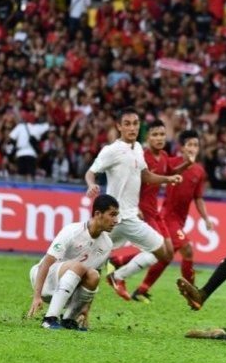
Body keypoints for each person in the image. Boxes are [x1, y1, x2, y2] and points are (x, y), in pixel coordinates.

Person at [85, 108, 182, 301]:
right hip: (110, 218)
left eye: (135, 123)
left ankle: (118, 275)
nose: (132, 127)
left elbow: (146, 176)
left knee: (162, 252)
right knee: (91, 265)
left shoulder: (138, 148)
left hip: (130, 217)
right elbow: (91, 171)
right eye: (127, 124)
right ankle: (78, 309)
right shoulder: (111, 150)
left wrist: (168, 179)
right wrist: (91, 184)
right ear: (119, 126)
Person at [108, 119, 190, 302]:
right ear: (147, 137)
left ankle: (118, 264)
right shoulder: (142, 157)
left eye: (162, 134)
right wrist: (134, 206)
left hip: (155, 211)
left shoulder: (164, 156)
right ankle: (118, 275)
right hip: (142, 210)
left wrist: (186, 164)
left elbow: (170, 171)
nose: (159, 138)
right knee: (160, 252)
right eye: (155, 134)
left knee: (167, 254)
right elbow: (131, 181)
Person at [132, 129, 212, 300]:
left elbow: (198, 197)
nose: (192, 148)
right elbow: (153, 178)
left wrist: (205, 218)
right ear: (181, 148)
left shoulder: (199, 171)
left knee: (163, 258)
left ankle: (141, 289)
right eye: (189, 145)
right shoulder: (172, 163)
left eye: (195, 145)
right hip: (168, 217)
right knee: (188, 251)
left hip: (180, 221)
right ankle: (191, 293)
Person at [26, 194, 119, 330]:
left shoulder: (107, 244)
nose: (116, 220)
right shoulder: (72, 231)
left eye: (116, 215)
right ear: (98, 214)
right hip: (44, 278)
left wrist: (86, 308)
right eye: (112, 215)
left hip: (69, 289)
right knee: (79, 267)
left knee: (94, 275)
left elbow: (95, 277)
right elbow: (46, 262)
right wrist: (37, 296)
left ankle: (69, 320)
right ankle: (49, 319)